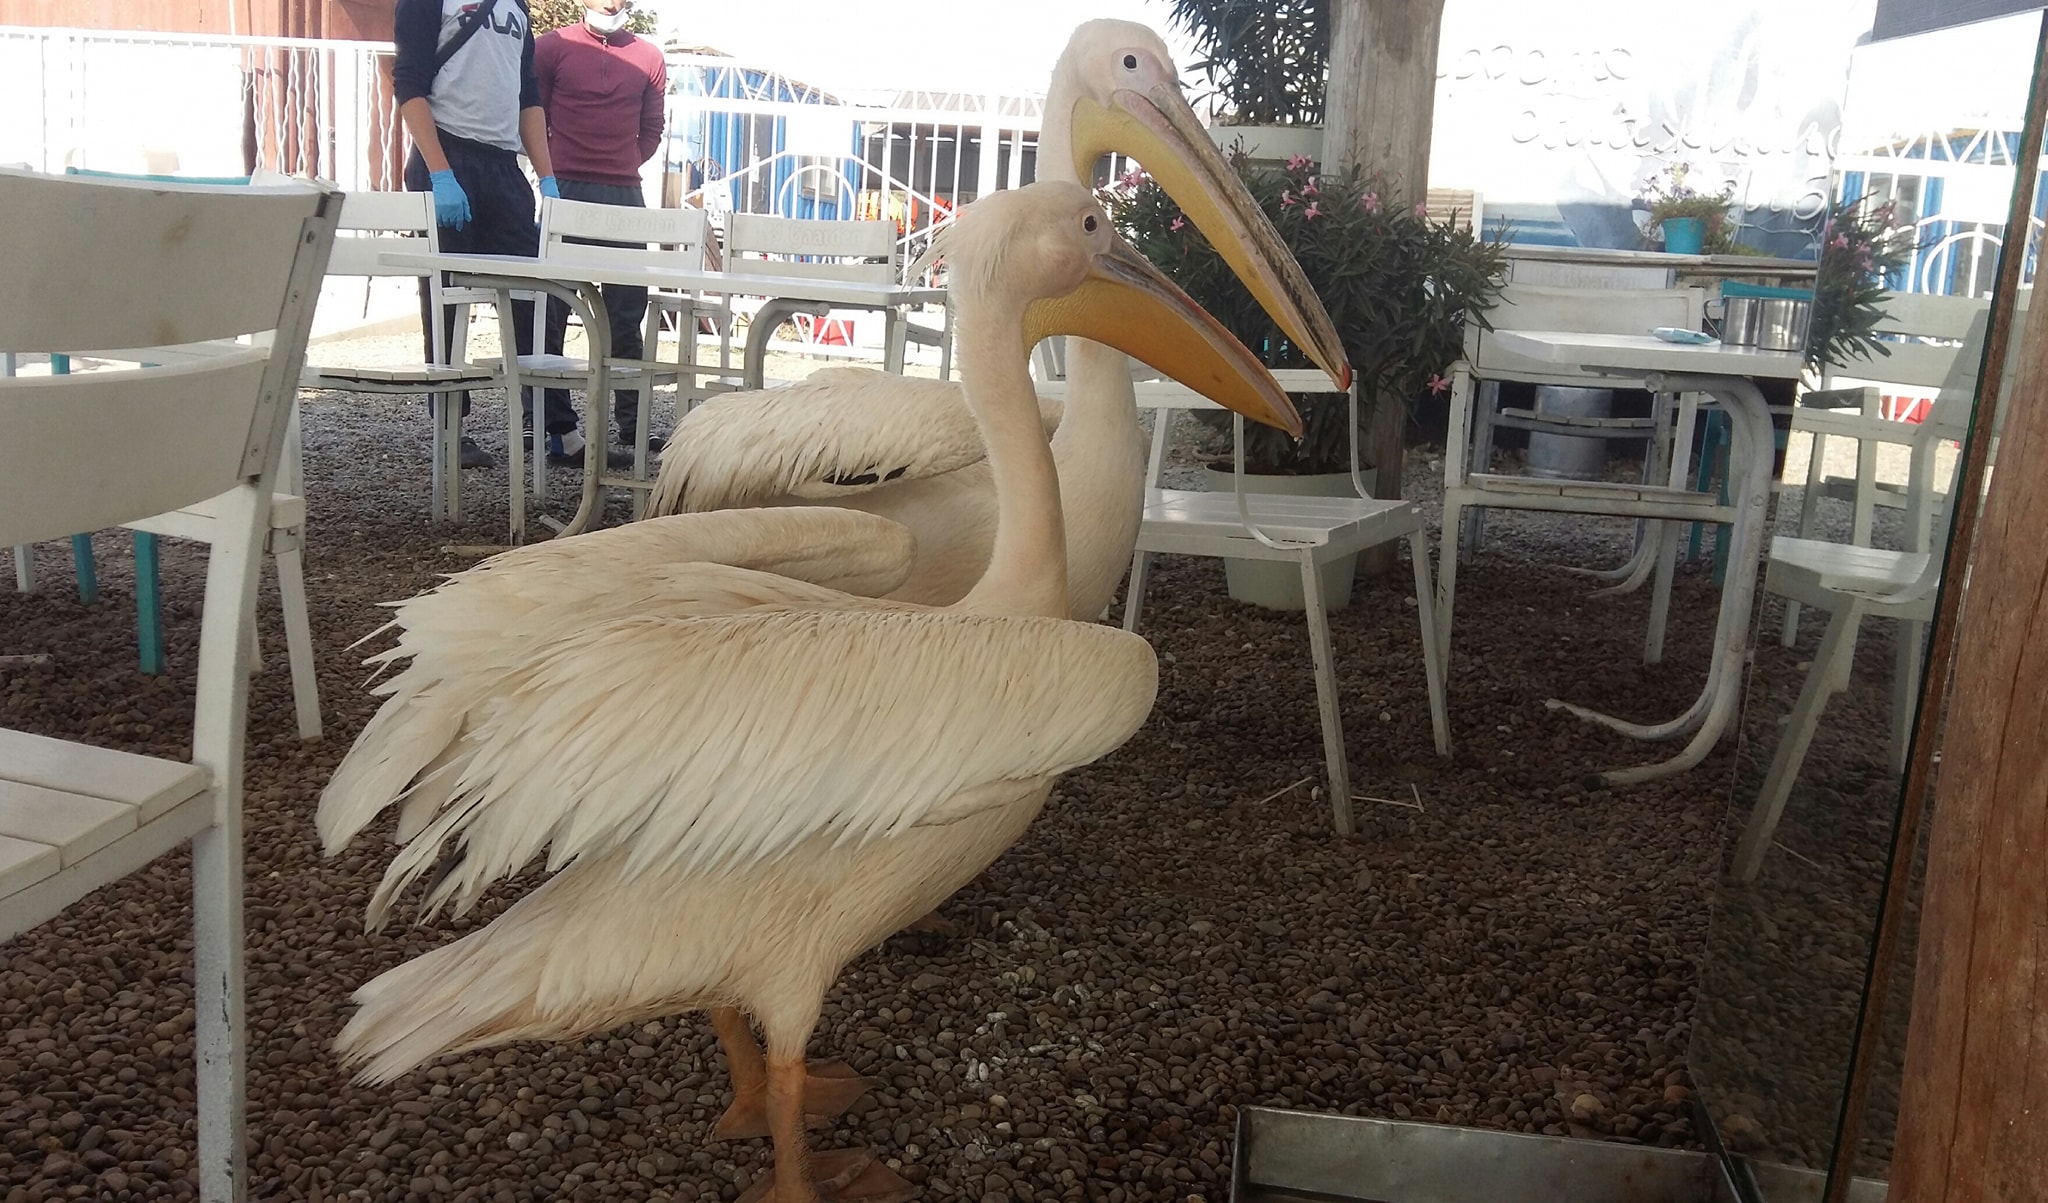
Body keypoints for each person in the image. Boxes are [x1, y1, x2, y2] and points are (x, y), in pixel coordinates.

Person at [391, 0, 585, 471]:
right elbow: (409, 82)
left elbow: (528, 96)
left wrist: (547, 177)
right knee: (445, 302)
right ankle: (450, 430)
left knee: (539, 298)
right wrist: (439, 172)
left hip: (503, 166)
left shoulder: (516, 6)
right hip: (447, 154)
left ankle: (555, 428)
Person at [535, 0, 671, 459]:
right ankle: (559, 432)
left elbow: (652, 127)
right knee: (552, 310)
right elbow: (533, 115)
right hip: (564, 190)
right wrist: (552, 171)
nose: (610, 2)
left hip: (624, 195)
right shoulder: (550, 47)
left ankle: (632, 430)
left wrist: (624, 162)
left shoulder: (649, 57)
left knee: (627, 314)